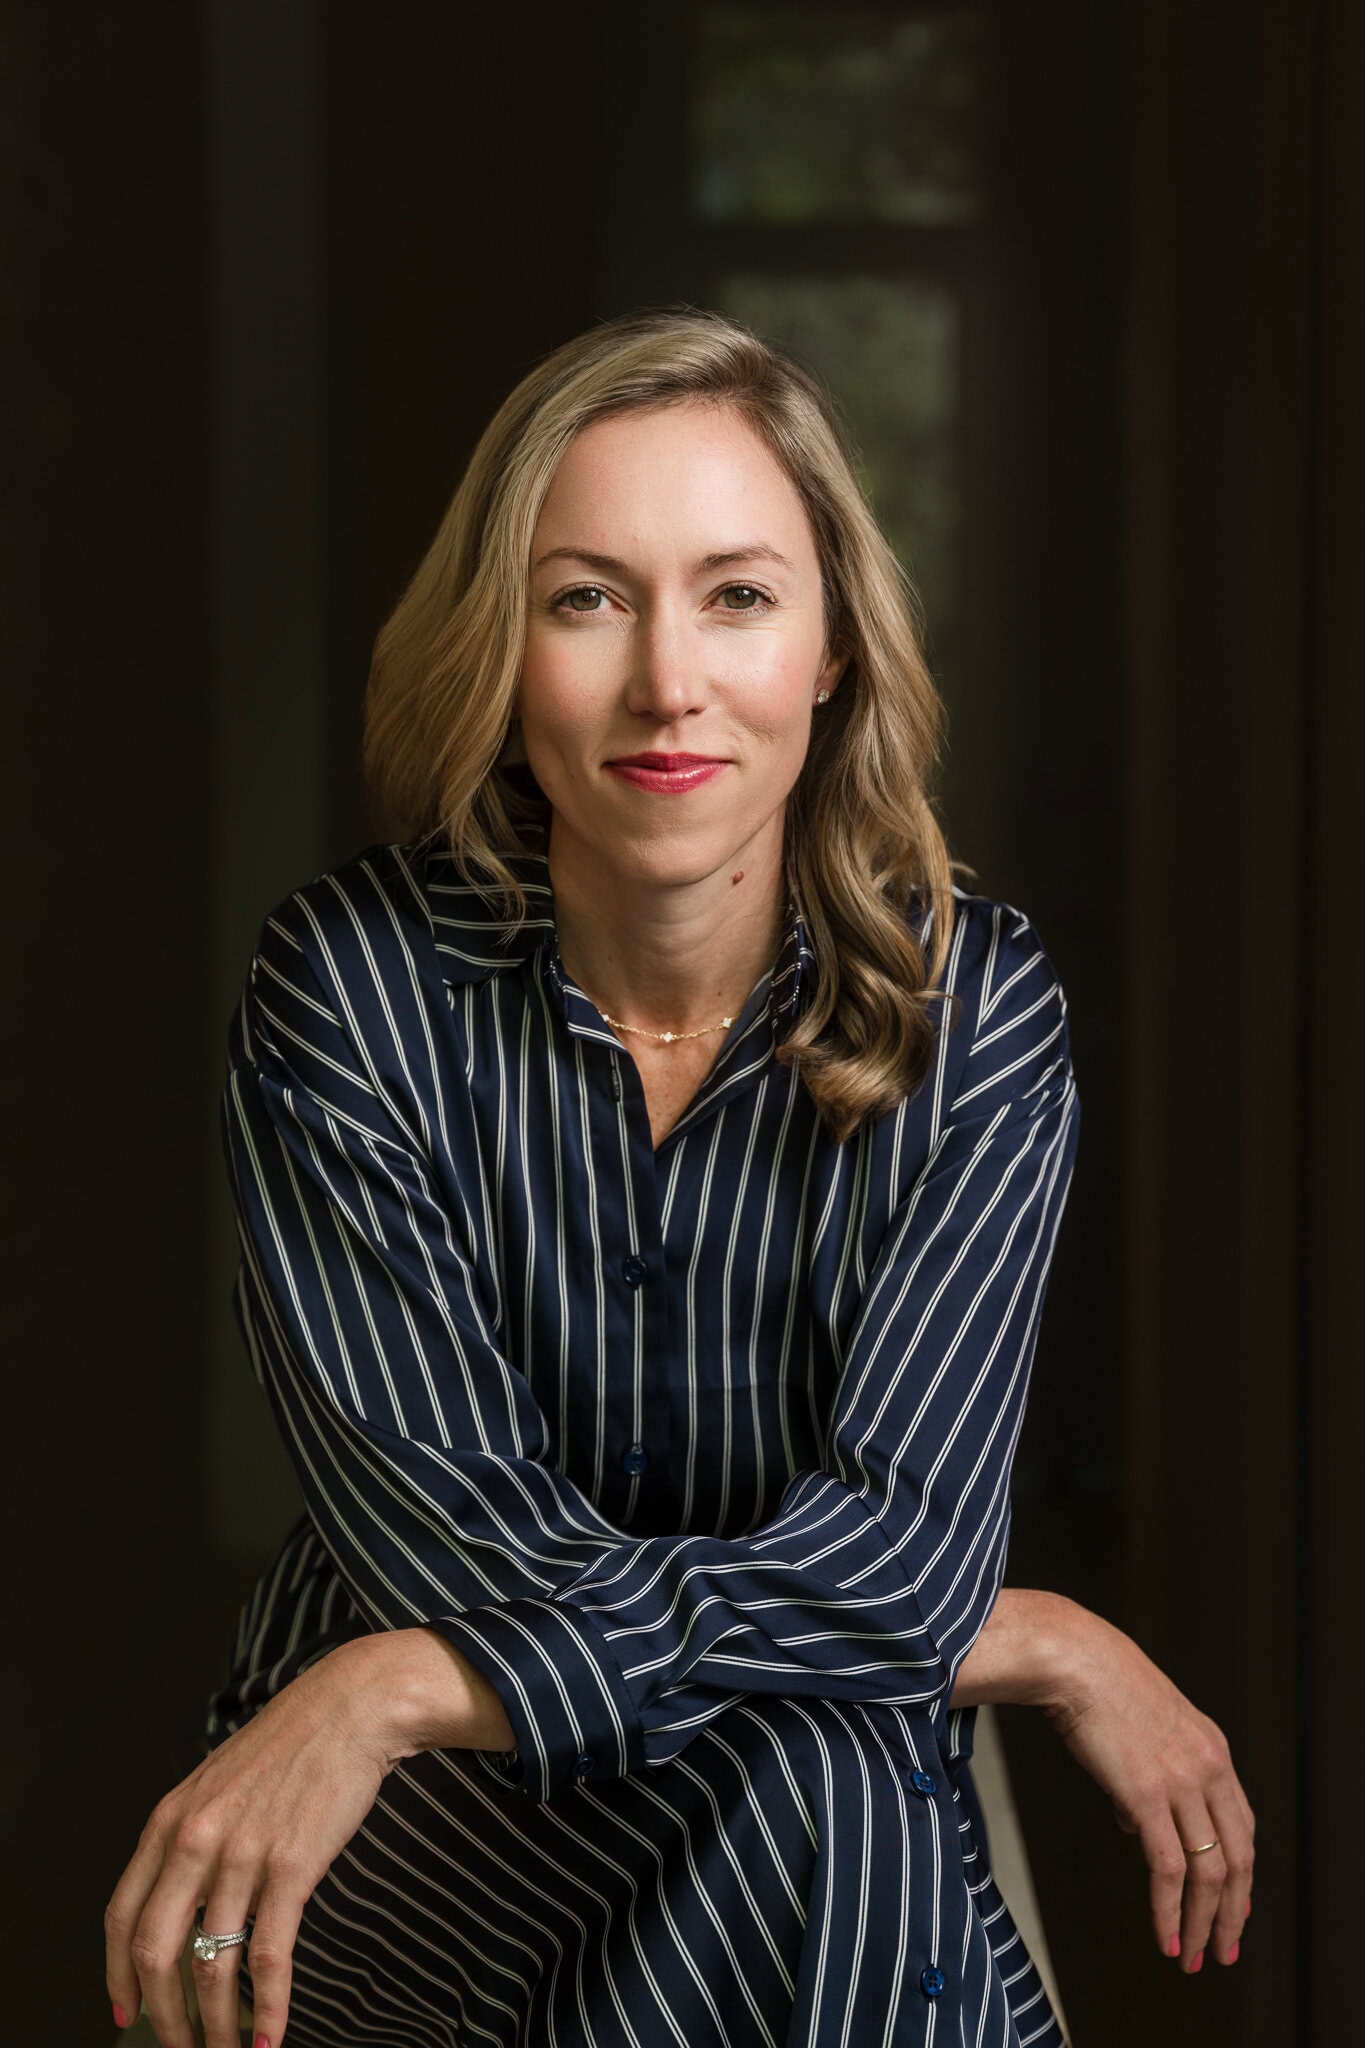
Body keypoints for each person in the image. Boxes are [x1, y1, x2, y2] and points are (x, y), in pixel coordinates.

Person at [105, 309, 1253, 2048]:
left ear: (832, 652)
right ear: (503, 646)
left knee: (812, 1790)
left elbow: (900, 1552)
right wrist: (1018, 1636)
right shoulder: (346, 987)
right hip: (433, 1820)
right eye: (586, 598)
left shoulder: (974, 1008)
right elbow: (462, 1547)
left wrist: (390, 1683)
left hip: (436, 1725)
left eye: (736, 595)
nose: (666, 683)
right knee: (832, 1790)